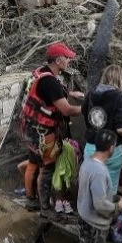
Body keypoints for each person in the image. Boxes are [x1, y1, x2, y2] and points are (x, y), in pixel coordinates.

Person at [21, 42, 85, 212]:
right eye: (67, 58)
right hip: (42, 133)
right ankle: (45, 209)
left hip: (30, 128)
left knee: (33, 163)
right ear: (58, 60)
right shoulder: (50, 82)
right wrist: (86, 108)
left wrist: (69, 94)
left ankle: (30, 199)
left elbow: (49, 95)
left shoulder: (40, 73)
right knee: (46, 170)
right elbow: (67, 110)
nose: (69, 61)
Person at [82, 65, 122, 194]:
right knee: (110, 187)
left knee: (89, 187)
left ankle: (87, 207)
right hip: (111, 150)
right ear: (120, 79)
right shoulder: (119, 97)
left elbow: (83, 111)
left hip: (91, 147)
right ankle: (106, 206)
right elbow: (121, 128)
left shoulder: (91, 94)